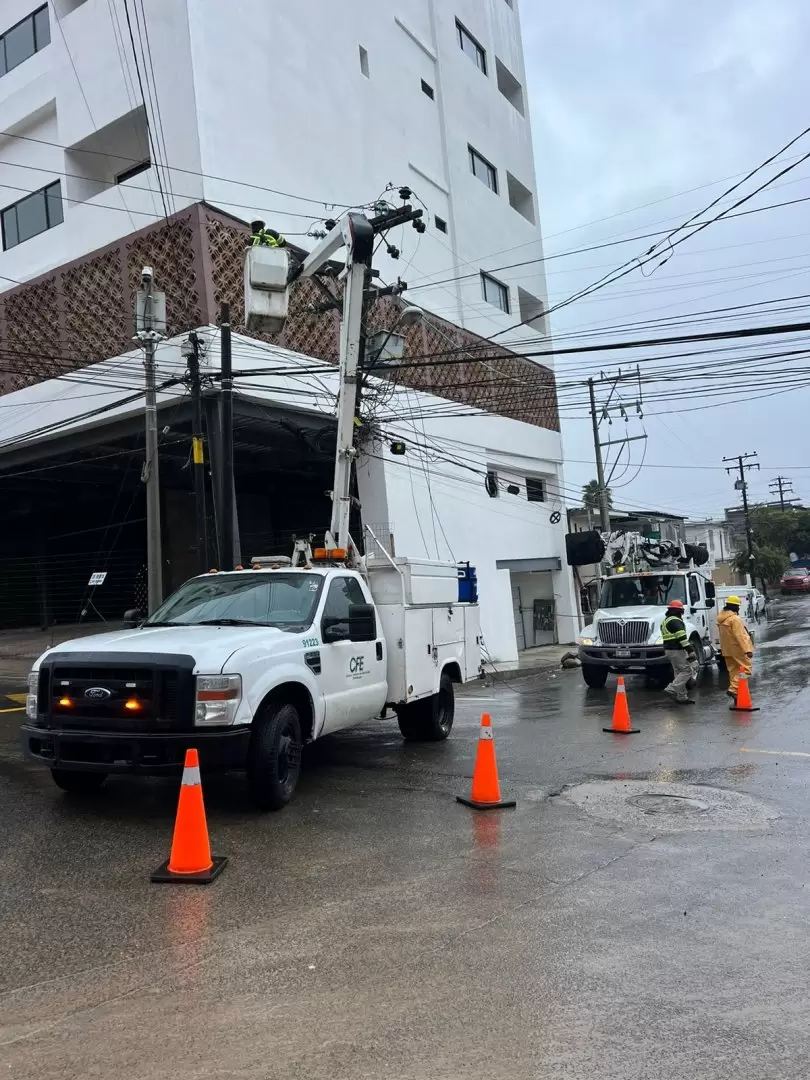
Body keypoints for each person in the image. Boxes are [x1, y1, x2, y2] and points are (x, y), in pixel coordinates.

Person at [717, 595, 754, 703]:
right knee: (746, 670)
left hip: (727, 650)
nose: (738, 608)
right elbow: (740, 636)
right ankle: (733, 689)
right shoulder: (735, 619)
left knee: (733, 671)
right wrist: (747, 649)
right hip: (738, 649)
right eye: (737, 606)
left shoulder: (721, 619)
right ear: (735, 606)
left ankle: (737, 695)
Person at [661, 599, 698, 704]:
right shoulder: (676, 621)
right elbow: (682, 638)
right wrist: (690, 651)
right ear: (680, 611)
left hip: (669, 650)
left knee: (678, 673)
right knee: (687, 671)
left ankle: (682, 697)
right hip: (677, 650)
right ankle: (671, 689)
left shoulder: (666, 620)